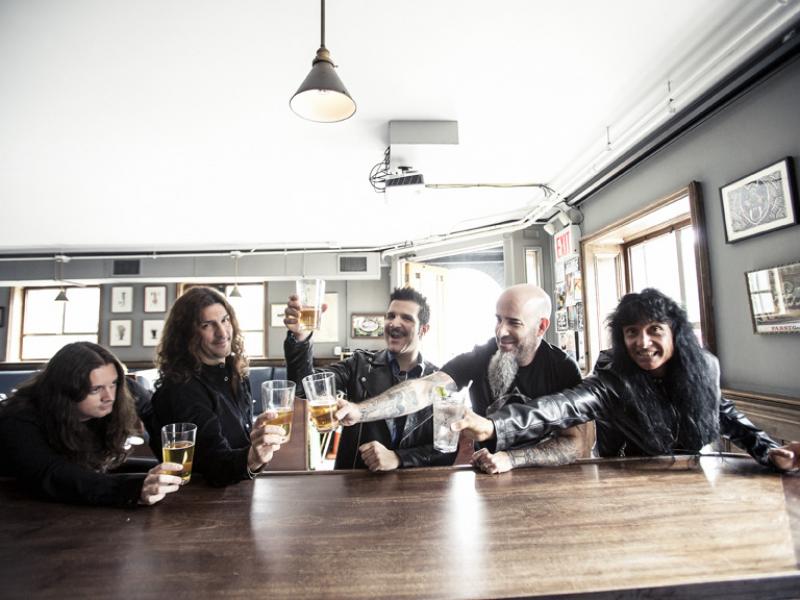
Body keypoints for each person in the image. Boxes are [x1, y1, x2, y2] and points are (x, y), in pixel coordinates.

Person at [451, 288, 800, 471]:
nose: (642, 342)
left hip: (691, 476)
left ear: (675, 332)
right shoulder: (613, 377)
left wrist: (768, 450)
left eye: (654, 330)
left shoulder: (703, 367)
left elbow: (724, 413)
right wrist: (494, 427)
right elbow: (560, 407)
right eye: (632, 332)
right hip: (623, 476)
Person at [334, 284, 593, 472]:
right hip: (489, 477)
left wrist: (511, 459)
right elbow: (425, 389)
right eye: (498, 319)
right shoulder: (483, 355)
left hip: (547, 481)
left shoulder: (561, 367)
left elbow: (577, 444)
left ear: (542, 326)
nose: (501, 331)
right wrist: (359, 411)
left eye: (514, 323)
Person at [284, 287, 456, 471]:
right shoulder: (359, 364)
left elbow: (446, 450)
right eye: (391, 316)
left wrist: (399, 458)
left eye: (406, 318)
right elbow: (304, 388)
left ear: (424, 329)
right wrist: (301, 338)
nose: (394, 323)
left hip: (414, 485)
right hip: (355, 480)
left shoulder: (439, 381)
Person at [0, 342, 183, 507]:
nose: (109, 397)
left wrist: (168, 470)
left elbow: (154, 414)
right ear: (66, 390)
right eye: (95, 389)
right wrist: (134, 488)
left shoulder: (121, 391)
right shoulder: (18, 419)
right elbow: (54, 475)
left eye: (113, 384)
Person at [149, 286, 285, 486]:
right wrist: (253, 457)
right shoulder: (181, 389)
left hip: (240, 488)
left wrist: (255, 437)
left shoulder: (234, 372)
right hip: (199, 499)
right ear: (187, 334)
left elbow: (237, 442)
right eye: (207, 325)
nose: (222, 333)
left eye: (225, 320)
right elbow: (214, 466)